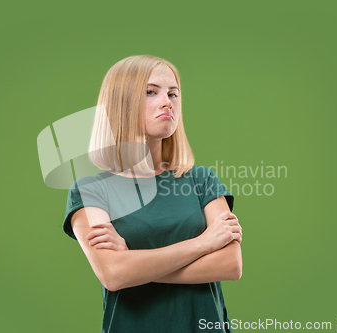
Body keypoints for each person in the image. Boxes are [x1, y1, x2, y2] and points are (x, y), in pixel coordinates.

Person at [62, 55, 242, 333]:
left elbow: (230, 265)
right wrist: (203, 243)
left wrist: (134, 261)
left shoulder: (201, 180)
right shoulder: (90, 191)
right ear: (121, 102)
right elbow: (113, 274)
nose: (167, 101)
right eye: (150, 92)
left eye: (173, 93)